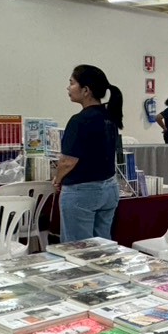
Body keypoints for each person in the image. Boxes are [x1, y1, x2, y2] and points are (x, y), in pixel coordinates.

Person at [54, 65, 123, 243]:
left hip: (81, 193)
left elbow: (68, 162)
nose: (68, 88)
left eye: (72, 83)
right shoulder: (110, 117)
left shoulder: (79, 120)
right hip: (109, 189)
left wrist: (57, 179)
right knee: (103, 247)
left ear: (86, 90)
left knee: (78, 248)